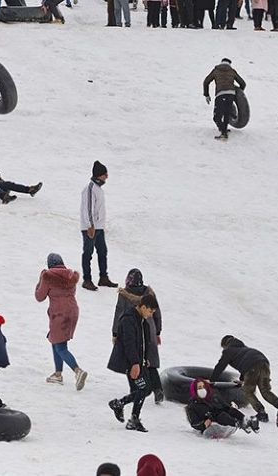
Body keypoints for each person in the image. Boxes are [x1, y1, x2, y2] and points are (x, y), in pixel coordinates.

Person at [107, 292, 159, 432]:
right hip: (130, 363)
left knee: (142, 390)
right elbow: (129, 343)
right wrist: (135, 363)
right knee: (144, 389)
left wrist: (145, 358)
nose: (151, 314)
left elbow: (144, 342)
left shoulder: (142, 321)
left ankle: (124, 409)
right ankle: (127, 412)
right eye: (150, 310)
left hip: (139, 362)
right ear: (142, 307)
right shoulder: (129, 319)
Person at [36, 253, 88, 390]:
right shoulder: (71, 275)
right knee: (55, 339)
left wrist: (40, 279)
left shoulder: (47, 276)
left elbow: (39, 296)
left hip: (59, 314)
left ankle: (78, 371)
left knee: (60, 347)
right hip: (72, 311)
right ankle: (58, 374)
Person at [115, 269, 163, 403]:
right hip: (150, 327)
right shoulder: (149, 292)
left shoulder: (124, 293)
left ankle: (135, 389)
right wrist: (157, 331)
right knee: (150, 360)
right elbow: (157, 313)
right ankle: (158, 389)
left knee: (133, 357)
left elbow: (119, 312)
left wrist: (115, 332)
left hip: (133, 328)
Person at [210, 335, 278, 421]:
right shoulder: (244, 349)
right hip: (264, 363)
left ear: (225, 344)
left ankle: (261, 412)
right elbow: (246, 363)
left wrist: (211, 381)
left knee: (247, 390)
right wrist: (242, 380)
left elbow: (220, 366)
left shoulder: (229, 350)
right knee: (265, 391)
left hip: (251, 367)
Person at [78, 161, 114, 291]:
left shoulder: (98, 189)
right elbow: (88, 209)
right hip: (90, 227)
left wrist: (100, 225)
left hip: (99, 227)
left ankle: (103, 277)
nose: (107, 176)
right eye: (105, 174)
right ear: (99, 175)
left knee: (102, 251)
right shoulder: (90, 188)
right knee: (88, 253)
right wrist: (90, 225)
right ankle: (87, 280)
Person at [186, 378, 260, 434]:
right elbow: (194, 423)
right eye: (199, 388)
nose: (202, 389)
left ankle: (246, 420)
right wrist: (203, 424)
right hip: (210, 425)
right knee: (222, 415)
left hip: (222, 421)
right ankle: (239, 423)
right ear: (195, 391)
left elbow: (225, 407)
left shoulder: (213, 397)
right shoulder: (192, 406)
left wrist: (231, 409)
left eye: (203, 387)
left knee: (230, 410)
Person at [203, 58, 246, 141]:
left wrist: (206, 94)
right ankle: (224, 130)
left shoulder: (216, 70)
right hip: (231, 95)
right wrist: (238, 95)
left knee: (217, 116)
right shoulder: (232, 71)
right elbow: (242, 83)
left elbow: (206, 81)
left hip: (220, 94)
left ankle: (223, 132)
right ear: (229, 64)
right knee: (226, 114)